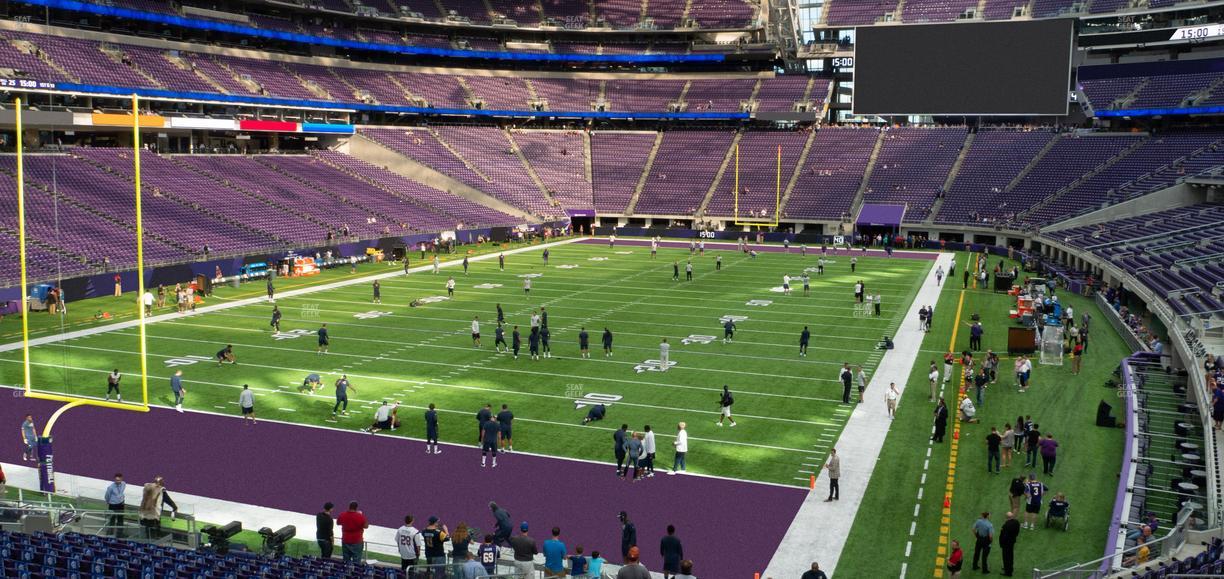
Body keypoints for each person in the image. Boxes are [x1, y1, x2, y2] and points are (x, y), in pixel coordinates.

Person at [105, 473, 127, 538]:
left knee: (120, 519)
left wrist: (121, 498)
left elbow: (121, 492)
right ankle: (110, 534)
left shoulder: (124, 484)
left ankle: (120, 534)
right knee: (112, 519)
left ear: (121, 479)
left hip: (121, 504)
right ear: (114, 479)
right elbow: (107, 496)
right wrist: (109, 501)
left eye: (119, 480)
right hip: (113, 505)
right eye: (116, 480)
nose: (118, 482)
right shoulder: (111, 487)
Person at [999, 511, 1020, 576]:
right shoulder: (1016, 522)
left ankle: (1008, 572)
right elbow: (1017, 532)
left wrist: (1001, 543)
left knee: (1006, 557)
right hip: (1012, 541)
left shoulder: (1006, 525)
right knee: (1010, 556)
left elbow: (1004, 536)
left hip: (1006, 544)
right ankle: (1010, 568)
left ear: (1007, 517)